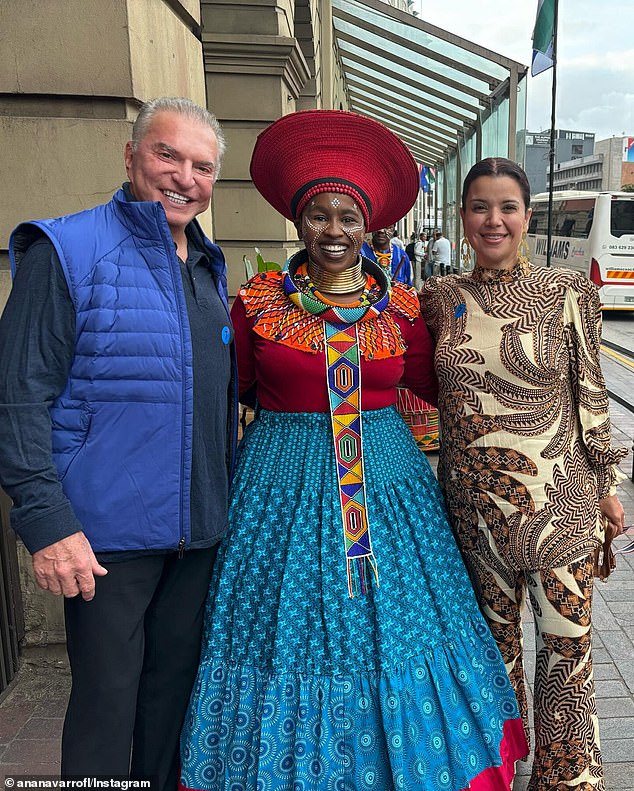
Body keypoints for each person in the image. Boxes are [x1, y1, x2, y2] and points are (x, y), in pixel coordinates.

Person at [179, 111, 528, 791]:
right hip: (281, 489)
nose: (333, 230)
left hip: (391, 489)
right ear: (299, 221)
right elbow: (238, 387)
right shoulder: (256, 304)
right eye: (317, 215)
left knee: (390, 625)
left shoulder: (401, 308)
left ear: (367, 227)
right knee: (288, 627)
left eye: (347, 216)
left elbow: (442, 383)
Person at [0, 97, 238, 788]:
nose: (182, 176)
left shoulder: (208, 264)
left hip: (195, 535)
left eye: (201, 165)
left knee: (171, 705)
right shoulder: (65, 249)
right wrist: (47, 523)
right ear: (130, 154)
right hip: (103, 541)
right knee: (107, 708)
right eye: (168, 155)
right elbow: (17, 396)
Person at [420, 157, 627, 791]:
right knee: (492, 650)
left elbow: (591, 398)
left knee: (567, 647)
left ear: (526, 216)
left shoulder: (569, 295)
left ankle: (567, 778)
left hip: (558, 502)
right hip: (473, 509)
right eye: (480, 207)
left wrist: (609, 491)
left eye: (507, 207)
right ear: (462, 217)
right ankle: (502, 767)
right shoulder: (439, 300)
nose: (493, 220)